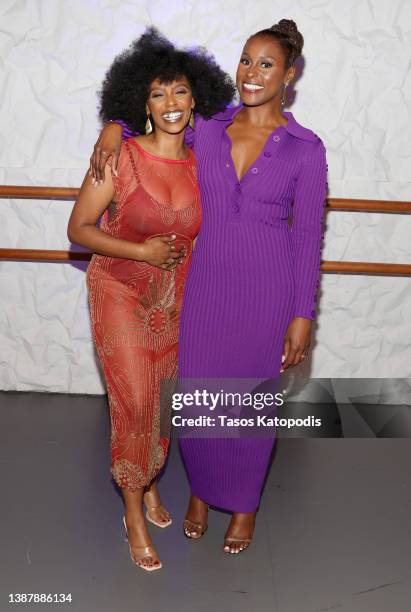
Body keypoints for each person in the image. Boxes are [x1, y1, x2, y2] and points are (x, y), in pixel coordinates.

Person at [89, 19, 328, 555]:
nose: (251, 73)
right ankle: (201, 492)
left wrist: (301, 313)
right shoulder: (210, 125)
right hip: (203, 285)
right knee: (199, 399)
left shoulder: (305, 149)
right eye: (246, 60)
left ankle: (243, 506)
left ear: (289, 76)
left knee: (250, 404)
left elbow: (308, 236)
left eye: (266, 64)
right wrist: (113, 125)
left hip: (266, 288)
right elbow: (156, 127)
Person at [67, 27, 235, 570]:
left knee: (162, 407)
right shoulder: (119, 159)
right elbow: (79, 229)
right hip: (119, 290)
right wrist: (139, 251)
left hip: (177, 302)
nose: (171, 104)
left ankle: (152, 482)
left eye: (181, 92)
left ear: (196, 99)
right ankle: (133, 511)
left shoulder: (204, 160)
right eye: (158, 93)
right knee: (134, 402)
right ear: (141, 99)